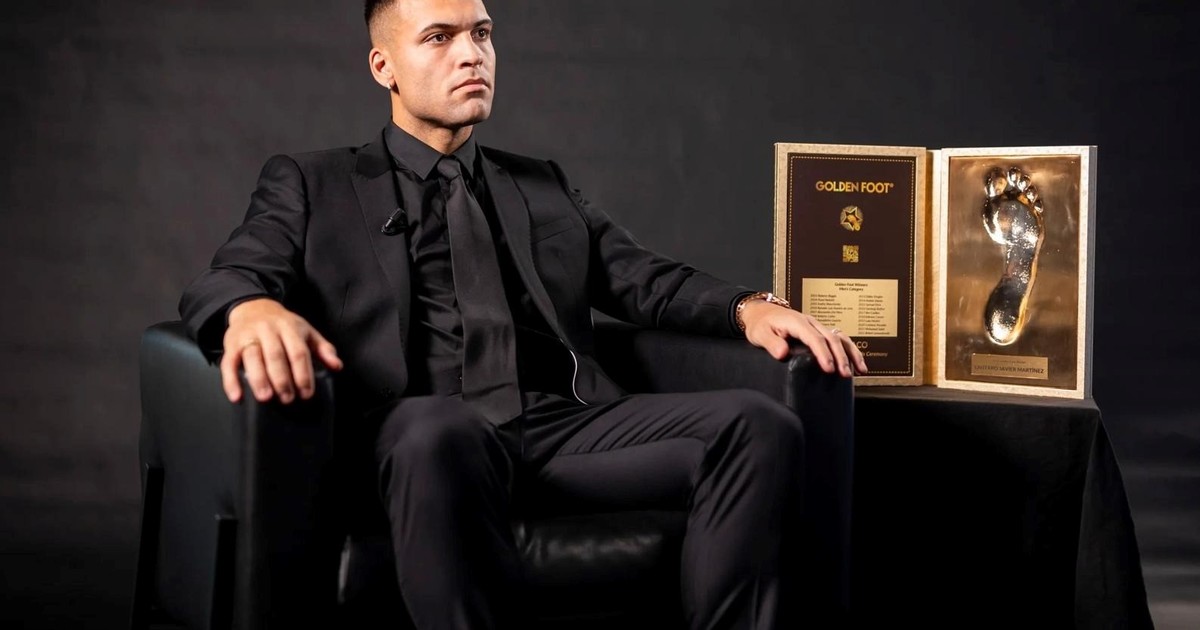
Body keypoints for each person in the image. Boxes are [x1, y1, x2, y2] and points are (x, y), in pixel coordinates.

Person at [179, 0, 868, 628]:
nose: (471, 55)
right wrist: (250, 309)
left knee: (759, 425)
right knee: (441, 430)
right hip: (416, 430)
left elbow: (640, 278)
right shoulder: (313, 181)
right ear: (383, 66)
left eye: (481, 34)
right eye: (440, 38)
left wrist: (745, 308)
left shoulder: (541, 183)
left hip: (554, 426)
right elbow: (229, 276)